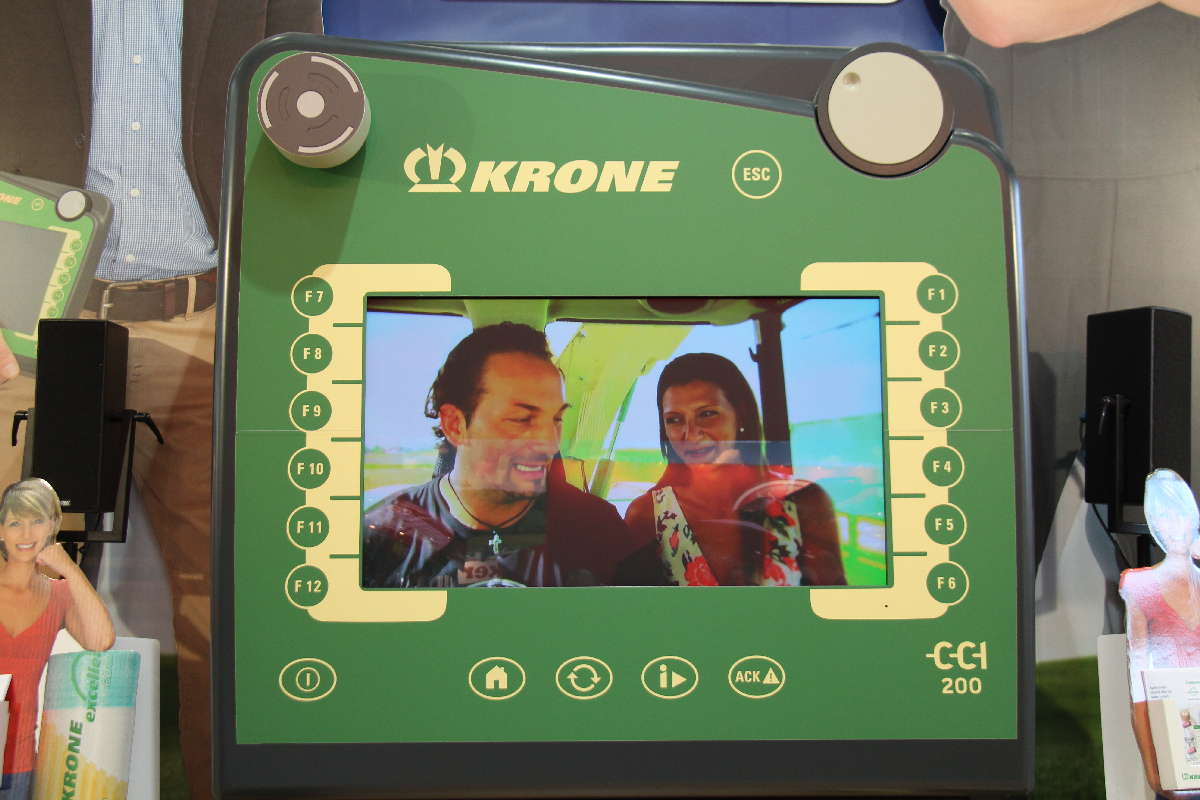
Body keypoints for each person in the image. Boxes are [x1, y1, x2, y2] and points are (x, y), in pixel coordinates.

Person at [0, 5, 323, 799]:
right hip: (31, 325)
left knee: (233, 611)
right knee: (11, 595)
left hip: (214, 324)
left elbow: (313, 140)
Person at [941, 0, 1200, 568]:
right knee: (1002, 524)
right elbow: (1001, 12)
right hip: (1027, 187)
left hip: (1178, 183)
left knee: (1175, 537)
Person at [362, 322, 641, 588]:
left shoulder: (597, 530)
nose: (549, 445)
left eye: (556, 419)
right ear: (455, 425)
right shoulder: (383, 536)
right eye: (522, 419)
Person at [619, 353, 846, 587]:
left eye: (707, 414)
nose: (692, 434)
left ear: (741, 413)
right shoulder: (647, 515)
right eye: (675, 419)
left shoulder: (802, 502)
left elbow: (833, 601)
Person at [0, 479, 115, 800]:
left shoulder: (59, 595)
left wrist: (68, 568)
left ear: (52, 525)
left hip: (19, 764)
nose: (26, 534)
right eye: (15, 523)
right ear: (2, 530)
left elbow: (101, 639)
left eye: (36, 521)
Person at [1120, 469, 1200, 797]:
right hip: (1175, 743)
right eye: (1164, 516)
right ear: (1154, 523)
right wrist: (1153, 769)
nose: (1175, 525)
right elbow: (1138, 685)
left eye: (1181, 513)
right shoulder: (1140, 586)